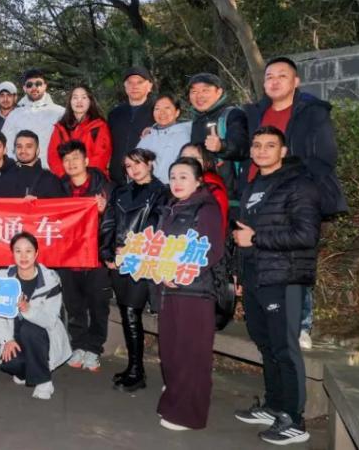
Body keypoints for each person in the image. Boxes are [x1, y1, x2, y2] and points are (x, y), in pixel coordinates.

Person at [243, 56, 348, 351]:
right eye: (269, 77)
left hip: (294, 194)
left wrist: (294, 185)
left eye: (282, 76)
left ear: (296, 81)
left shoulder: (312, 112)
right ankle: (269, 319)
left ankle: (301, 324)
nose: (274, 81)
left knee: (295, 259)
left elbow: (325, 156)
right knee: (262, 256)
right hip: (258, 192)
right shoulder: (256, 113)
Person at [232, 127, 321, 445]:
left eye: (270, 145)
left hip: (284, 278)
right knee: (265, 344)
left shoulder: (299, 184)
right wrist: (239, 274)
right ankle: (274, 406)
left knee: (285, 348)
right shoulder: (253, 185)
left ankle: (295, 420)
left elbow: (306, 235)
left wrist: (256, 238)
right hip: (255, 276)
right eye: (257, 145)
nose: (261, 150)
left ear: (283, 152)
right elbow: (242, 234)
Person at [156, 157, 225, 431]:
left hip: (195, 292)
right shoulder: (171, 207)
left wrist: (179, 272)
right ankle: (173, 404)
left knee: (191, 354)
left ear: (198, 181)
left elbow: (211, 250)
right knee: (171, 350)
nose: (177, 182)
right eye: (173, 177)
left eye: (183, 176)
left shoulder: (206, 209)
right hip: (170, 290)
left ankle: (189, 414)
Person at [99, 148, 169, 392]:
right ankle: (134, 367)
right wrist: (107, 253)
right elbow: (108, 222)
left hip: (141, 261)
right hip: (119, 260)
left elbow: (157, 225)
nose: (134, 169)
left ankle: (137, 371)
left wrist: (133, 250)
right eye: (129, 166)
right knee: (127, 313)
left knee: (131, 312)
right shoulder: (120, 192)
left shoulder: (162, 192)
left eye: (138, 163)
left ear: (150, 163)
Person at [0, 232, 72, 400]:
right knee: (11, 363)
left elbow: (50, 320)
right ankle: (27, 371)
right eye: (18, 251)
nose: (23, 256)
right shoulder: (3, 278)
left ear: (36, 253)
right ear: (12, 253)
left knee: (30, 330)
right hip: (15, 336)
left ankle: (44, 381)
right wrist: (7, 340)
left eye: (28, 251)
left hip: (43, 336)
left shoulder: (50, 280)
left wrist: (28, 310)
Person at [56, 140, 111, 372]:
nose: (71, 163)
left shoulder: (105, 187)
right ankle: (78, 344)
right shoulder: (59, 188)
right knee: (73, 304)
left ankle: (94, 348)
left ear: (86, 160)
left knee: (98, 304)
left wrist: (104, 211)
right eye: (66, 160)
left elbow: (115, 221)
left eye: (75, 158)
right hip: (69, 257)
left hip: (96, 257)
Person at [187, 72, 249, 197]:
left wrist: (222, 146)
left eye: (205, 90)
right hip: (202, 191)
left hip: (229, 193)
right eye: (194, 92)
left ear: (219, 92)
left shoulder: (233, 115)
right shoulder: (196, 120)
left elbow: (243, 147)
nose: (199, 96)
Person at [2, 69, 65, 169]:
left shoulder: (60, 113)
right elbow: (5, 144)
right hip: (21, 171)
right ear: (24, 88)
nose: (34, 87)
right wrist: (16, 166)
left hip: (51, 171)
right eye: (29, 85)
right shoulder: (15, 115)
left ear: (45, 86)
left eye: (38, 84)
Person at [48, 85, 112, 179]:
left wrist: (82, 178)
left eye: (84, 97)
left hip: (92, 180)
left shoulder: (99, 126)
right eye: (75, 97)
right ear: (70, 101)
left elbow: (101, 156)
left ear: (90, 101)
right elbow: (53, 156)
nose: (79, 101)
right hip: (65, 181)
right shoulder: (61, 127)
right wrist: (65, 176)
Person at [107, 67, 156, 185]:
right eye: (130, 83)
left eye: (139, 82)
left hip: (147, 180)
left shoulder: (157, 112)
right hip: (116, 180)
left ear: (149, 86)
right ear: (125, 87)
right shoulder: (115, 114)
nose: (134, 86)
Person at [136, 94, 192, 184]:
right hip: (144, 188)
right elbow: (134, 161)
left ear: (177, 112)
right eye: (157, 109)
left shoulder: (185, 136)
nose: (162, 112)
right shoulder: (148, 136)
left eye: (167, 108)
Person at [179, 143, 230, 236]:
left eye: (193, 158)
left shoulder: (213, 190)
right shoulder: (177, 186)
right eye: (183, 158)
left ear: (207, 163)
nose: (186, 162)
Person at [0, 130, 62, 199]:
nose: (23, 150)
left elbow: (60, 205)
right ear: (14, 150)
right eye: (19, 146)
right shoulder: (4, 179)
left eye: (29, 146)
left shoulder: (50, 180)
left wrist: (39, 203)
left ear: (37, 151)